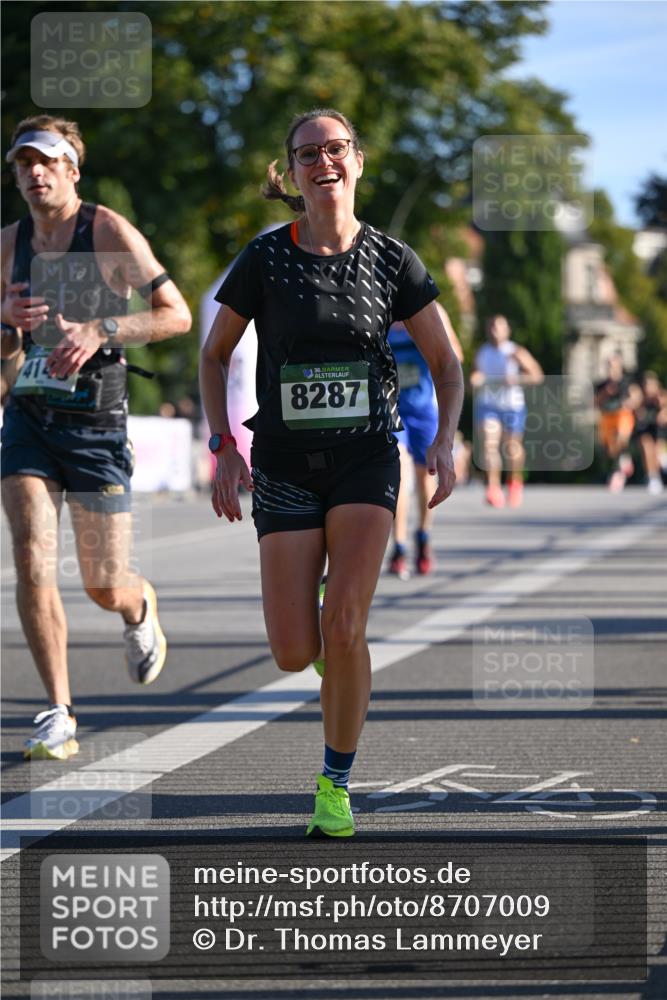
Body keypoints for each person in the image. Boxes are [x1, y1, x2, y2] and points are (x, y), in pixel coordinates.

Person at [200, 109, 463, 838]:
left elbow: (446, 363)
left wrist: (443, 440)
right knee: (294, 651)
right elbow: (215, 354)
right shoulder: (263, 258)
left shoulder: (391, 259)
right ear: (290, 172)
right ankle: (324, 627)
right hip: (282, 459)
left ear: (357, 159)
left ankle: (334, 784)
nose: (323, 162)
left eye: (336, 148)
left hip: (366, 456)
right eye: (307, 153)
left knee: (344, 624)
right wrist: (222, 444)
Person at [1, 116, 192, 760]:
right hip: (28, 417)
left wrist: (100, 328)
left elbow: (177, 315)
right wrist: (4, 321)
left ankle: (138, 608)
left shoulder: (105, 230)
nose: (33, 173)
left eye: (46, 162)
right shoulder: (9, 242)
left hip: (96, 423)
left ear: (72, 170)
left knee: (102, 582)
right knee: (31, 559)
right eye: (23, 163)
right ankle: (58, 711)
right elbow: (3, 343)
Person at [387, 301, 464, 578]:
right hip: (392, 407)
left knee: (423, 477)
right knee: (398, 473)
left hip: (423, 407)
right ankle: (398, 545)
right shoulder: (379, 307)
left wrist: (426, 345)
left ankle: (422, 536)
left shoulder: (430, 309)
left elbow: (454, 357)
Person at [471, 315, 543, 508]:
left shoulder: (515, 351)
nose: (495, 330)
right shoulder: (482, 352)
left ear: (507, 331)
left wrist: (517, 380)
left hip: (512, 405)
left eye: (499, 327)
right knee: (489, 444)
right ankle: (493, 488)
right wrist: (475, 379)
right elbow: (475, 374)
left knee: (512, 448)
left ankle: (514, 483)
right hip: (488, 404)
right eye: (492, 326)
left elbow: (537, 375)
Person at [594, 352, 641, 492]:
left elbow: (637, 397)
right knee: (610, 448)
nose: (612, 368)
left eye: (614, 365)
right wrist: (605, 393)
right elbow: (595, 402)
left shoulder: (627, 382)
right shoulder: (601, 384)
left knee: (621, 438)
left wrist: (630, 403)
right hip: (607, 416)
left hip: (622, 414)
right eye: (609, 366)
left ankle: (618, 475)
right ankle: (624, 460)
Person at [632, 370, 667, 494]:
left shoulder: (662, 396)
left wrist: (662, 412)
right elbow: (634, 409)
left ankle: (661, 467)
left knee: (658, 455)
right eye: (647, 385)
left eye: (651, 385)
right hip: (645, 428)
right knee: (647, 448)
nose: (649, 388)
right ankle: (653, 477)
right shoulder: (640, 398)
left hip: (659, 430)